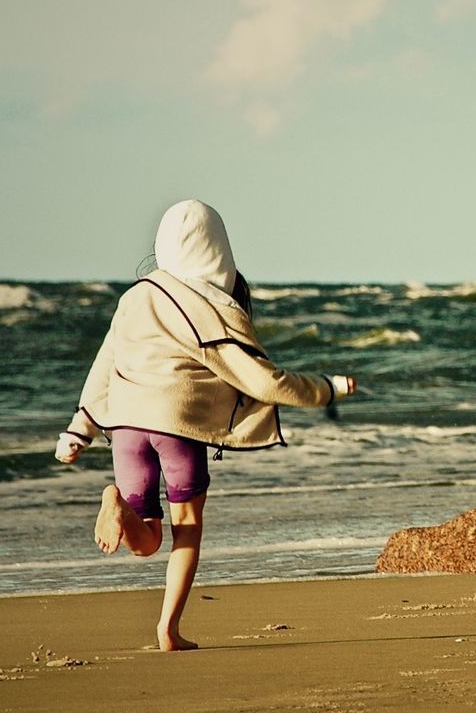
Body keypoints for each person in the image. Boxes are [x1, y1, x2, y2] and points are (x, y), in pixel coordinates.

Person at [54, 199, 356, 650]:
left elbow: (105, 364)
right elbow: (264, 380)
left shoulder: (134, 297)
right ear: (220, 250)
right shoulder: (210, 308)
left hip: (125, 425)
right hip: (178, 427)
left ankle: (115, 501)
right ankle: (167, 630)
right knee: (187, 529)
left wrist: (79, 429)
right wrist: (327, 389)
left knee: (145, 540)